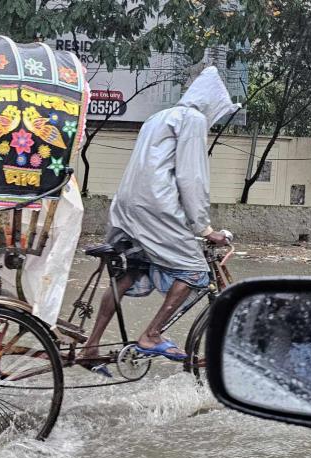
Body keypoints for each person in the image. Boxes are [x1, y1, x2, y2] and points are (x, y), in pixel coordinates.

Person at [78, 66, 238, 375]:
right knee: (194, 271)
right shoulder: (193, 120)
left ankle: (91, 345)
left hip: (127, 206)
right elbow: (191, 178)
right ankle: (151, 334)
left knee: (126, 272)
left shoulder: (158, 117)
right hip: (156, 208)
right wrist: (204, 229)